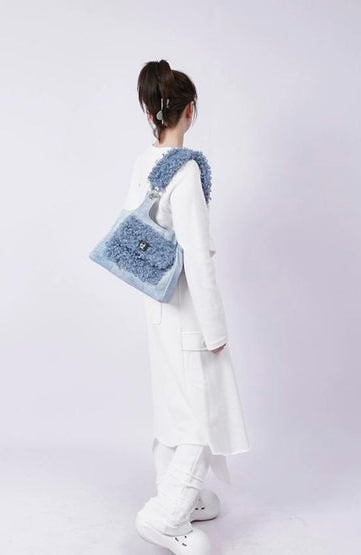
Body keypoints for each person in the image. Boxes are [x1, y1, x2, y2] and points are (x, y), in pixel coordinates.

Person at [123, 59, 251, 554]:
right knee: (202, 410)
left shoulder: (145, 161)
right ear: (190, 111)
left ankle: (180, 494)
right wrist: (216, 330)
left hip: (156, 304)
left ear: (150, 113)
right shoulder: (188, 171)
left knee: (172, 404)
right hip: (188, 307)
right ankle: (166, 517)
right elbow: (196, 256)